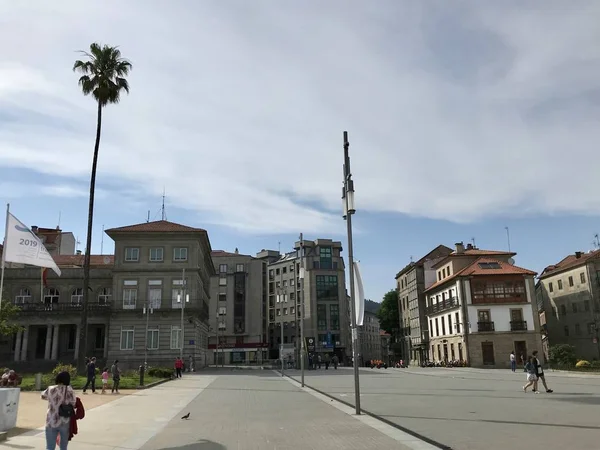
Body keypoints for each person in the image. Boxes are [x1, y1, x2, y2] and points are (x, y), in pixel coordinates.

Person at [41, 371, 76, 449]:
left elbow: (42, 396)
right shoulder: (70, 390)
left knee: (50, 447)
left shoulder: (51, 388)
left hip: (51, 420)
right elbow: (74, 403)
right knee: (63, 447)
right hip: (65, 421)